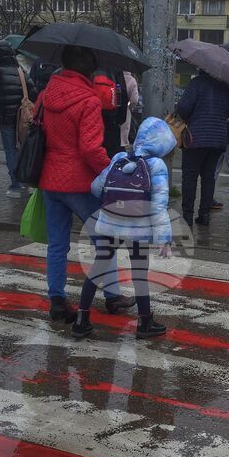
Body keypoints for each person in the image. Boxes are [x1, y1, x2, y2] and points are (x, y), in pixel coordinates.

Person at [38, 44, 135, 322]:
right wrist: (111, 171)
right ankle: (113, 296)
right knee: (104, 240)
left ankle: (56, 300)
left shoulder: (46, 95)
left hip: (49, 179)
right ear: (88, 68)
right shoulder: (88, 100)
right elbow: (91, 149)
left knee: (57, 244)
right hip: (79, 183)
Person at [73, 116, 175, 340]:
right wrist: (164, 238)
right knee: (139, 274)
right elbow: (158, 207)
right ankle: (145, 322)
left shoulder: (119, 157)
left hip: (109, 224)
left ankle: (81, 319)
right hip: (138, 231)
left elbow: (96, 187)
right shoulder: (157, 165)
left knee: (97, 269)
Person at [175, 70, 229, 227]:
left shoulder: (196, 84)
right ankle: (205, 215)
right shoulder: (225, 87)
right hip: (218, 139)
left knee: (190, 177)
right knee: (209, 177)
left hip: (195, 139)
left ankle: (187, 217)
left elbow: (184, 108)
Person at [0, 41, 35, 198]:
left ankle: (16, 184)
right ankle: (27, 181)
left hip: (5, 118)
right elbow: (33, 93)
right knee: (23, 149)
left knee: (10, 150)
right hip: (23, 118)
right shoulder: (20, 71)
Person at [120, 70, 140, 148]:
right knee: (122, 139)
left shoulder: (113, 76)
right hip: (125, 110)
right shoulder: (131, 80)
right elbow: (134, 100)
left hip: (111, 110)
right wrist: (130, 107)